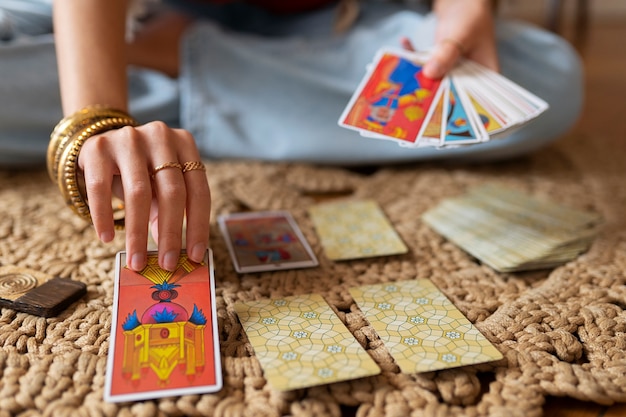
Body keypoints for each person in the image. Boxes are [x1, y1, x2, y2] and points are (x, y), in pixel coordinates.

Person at [0, 0, 583, 273]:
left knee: (546, 82)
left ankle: (171, 63)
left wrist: (465, 5)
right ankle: (237, 100)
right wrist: (96, 115)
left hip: (335, 20)